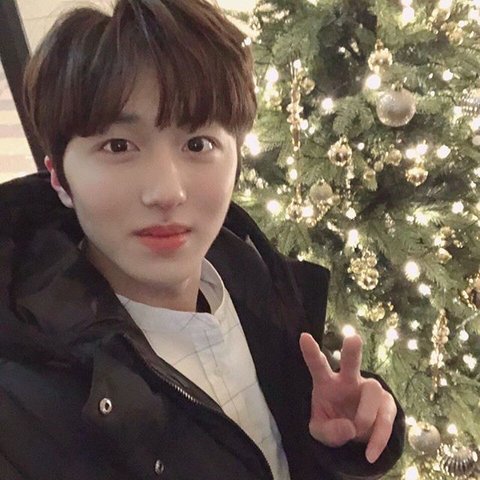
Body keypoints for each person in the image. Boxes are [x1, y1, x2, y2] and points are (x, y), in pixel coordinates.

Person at [0, 0, 405, 479]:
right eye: (118, 146)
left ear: (237, 160)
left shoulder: (253, 277)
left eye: (197, 144)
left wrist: (348, 438)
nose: (167, 192)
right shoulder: (24, 405)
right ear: (59, 178)